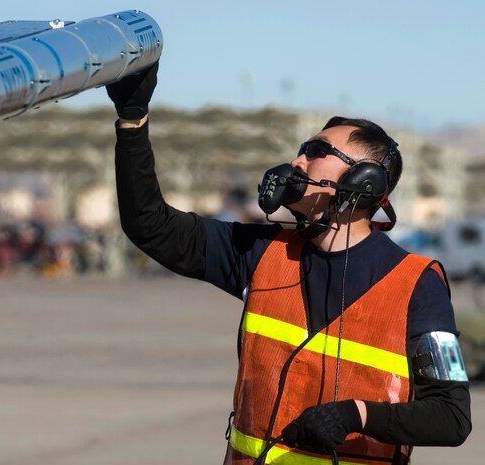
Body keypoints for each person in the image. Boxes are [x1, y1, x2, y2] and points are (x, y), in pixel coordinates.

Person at [105, 62, 471, 465]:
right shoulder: (260, 252)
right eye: (300, 150)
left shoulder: (418, 285)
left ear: (364, 181)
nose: (297, 162)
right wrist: (133, 120)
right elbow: (149, 224)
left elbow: (451, 417)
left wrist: (358, 414)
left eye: (316, 152)